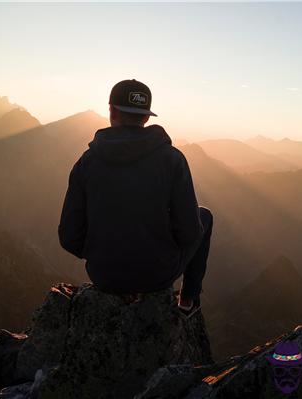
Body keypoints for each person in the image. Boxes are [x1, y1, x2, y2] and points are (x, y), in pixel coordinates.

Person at [58, 79, 213, 315]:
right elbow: (190, 231)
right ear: (147, 117)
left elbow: (69, 237)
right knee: (204, 216)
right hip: (157, 276)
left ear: (111, 111)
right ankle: (187, 302)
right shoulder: (172, 160)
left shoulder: (87, 163)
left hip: (104, 276)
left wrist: (103, 252)